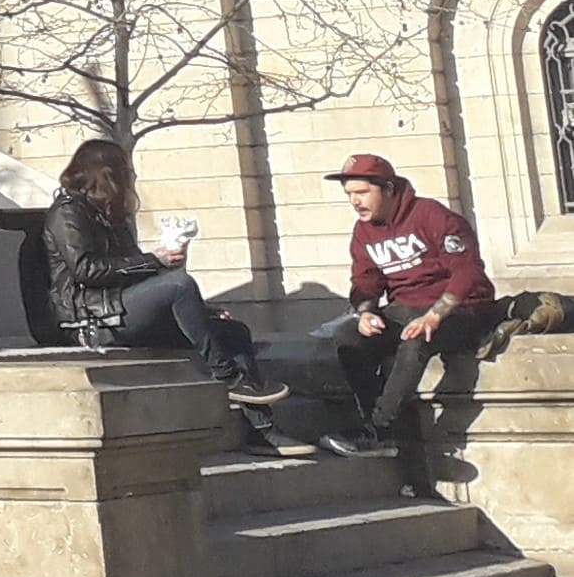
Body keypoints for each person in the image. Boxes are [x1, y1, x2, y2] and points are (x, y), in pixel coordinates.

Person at [43, 138, 291, 421]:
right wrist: (155, 260)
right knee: (179, 285)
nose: (132, 179)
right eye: (126, 172)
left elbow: (133, 270)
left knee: (233, 332)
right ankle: (229, 376)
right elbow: (86, 269)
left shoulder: (109, 216)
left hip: (117, 310)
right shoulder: (68, 213)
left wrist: (199, 308)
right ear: (108, 175)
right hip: (93, 321)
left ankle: (264, 430)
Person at [322, 152, 497, 489]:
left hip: (462, 308)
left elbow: (468, 272)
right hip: (406, 307)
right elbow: (365, 281)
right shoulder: (363, 233)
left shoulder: (431, 215)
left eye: (362, 193)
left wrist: (436, 314)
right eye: (350, 195)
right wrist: (366, 311)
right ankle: (380, 427)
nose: (355, 202)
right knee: (349, 340)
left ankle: (378, 430)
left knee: (414, 342)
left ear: (387, 188)